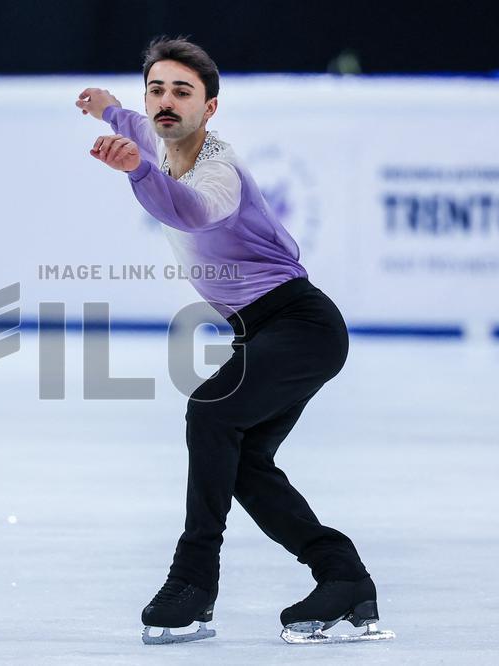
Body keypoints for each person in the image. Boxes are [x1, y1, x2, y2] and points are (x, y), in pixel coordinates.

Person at [76, 37, 391, 645]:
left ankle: (193, 584)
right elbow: (140, 124)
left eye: (182, 93)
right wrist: (108, 108)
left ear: (210, 109)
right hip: (261, 330)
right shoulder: (159, 134)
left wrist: (136, 170)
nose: (166, 103)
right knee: (242, 463)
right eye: (157, 90)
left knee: (211, 410)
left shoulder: (218, 170)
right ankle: (343, 577)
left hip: (302, 325)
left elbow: (191, 211)